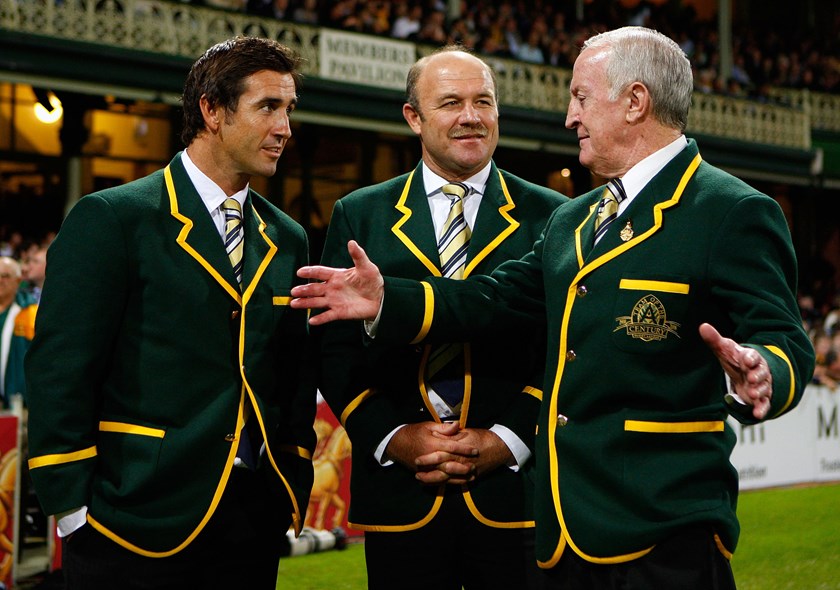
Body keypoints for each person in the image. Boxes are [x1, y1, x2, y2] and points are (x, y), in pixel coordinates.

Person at [290, 27, 816, 590]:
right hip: (564, 532)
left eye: (582, 98)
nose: (569, 117)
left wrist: (765, 372)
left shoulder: (732, 210)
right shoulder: (575, 219)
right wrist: (387, 299)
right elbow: (495, 298)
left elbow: (780, 337)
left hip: (667, 527)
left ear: (635, 101)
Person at [25, 36, 316, 589]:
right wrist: (72, 510)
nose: (285, 128)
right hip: (129, 517)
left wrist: (292, 476)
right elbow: (61, 369)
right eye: (268, 107)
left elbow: (293, 374)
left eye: (288, 109)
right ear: (210, 110)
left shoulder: (288, 236)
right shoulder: (113, 217)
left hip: (251, 521)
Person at [314, 45, 567, 590]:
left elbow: (565, 347)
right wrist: (394, 436)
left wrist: (508, 439)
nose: (471, 116)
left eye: (484, 102)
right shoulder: (359, 213)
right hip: (401, 495)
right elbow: (333, 353)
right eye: (451, 102)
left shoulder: (552, 214)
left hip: (515, 493)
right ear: (414, 117)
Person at [0, 257, 36, 408]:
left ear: (18, 280)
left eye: (5, 276)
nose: (0, 280)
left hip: (18, 405)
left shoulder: (31, 313)